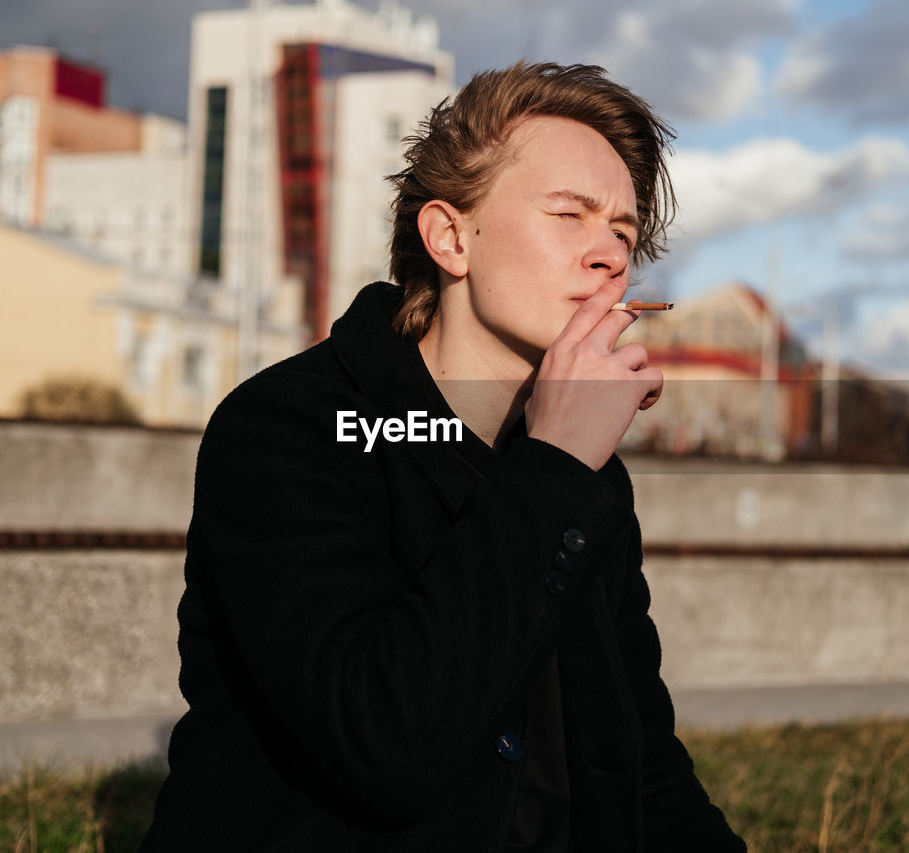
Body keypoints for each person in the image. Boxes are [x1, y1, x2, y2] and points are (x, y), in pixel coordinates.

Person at [142, 62, 746, 851]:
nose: (609, 256)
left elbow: (637, 763)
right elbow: (386, 744)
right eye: (570, 215)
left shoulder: (586, 473)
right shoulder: (289, 428)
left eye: (625, 233)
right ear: (451, 236)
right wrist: (556, 463)